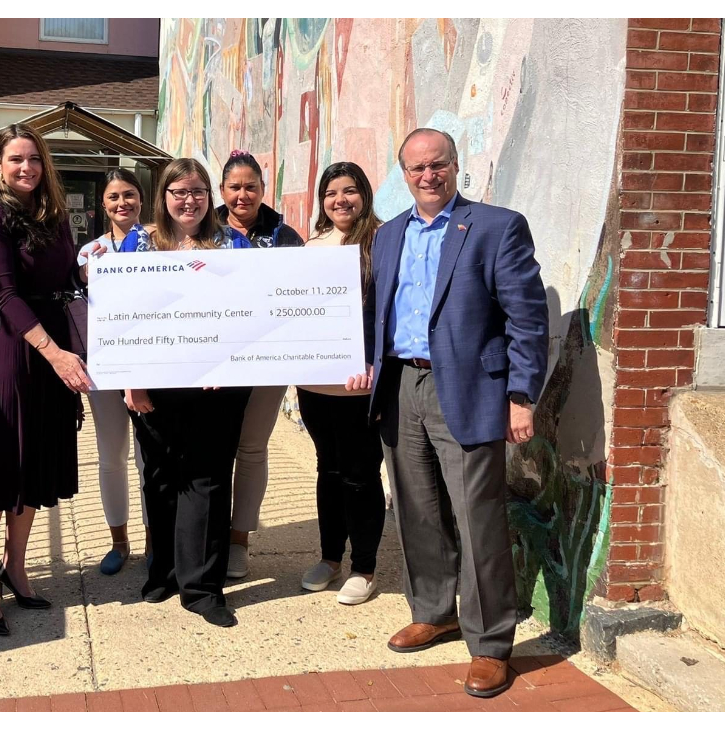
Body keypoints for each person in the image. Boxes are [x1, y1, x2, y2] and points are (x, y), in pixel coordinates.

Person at [351, 128, 548, 698]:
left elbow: (527, 319)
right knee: (416, 509)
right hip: (398, 385)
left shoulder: (495, 227)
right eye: (416, 168)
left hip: (467, 389)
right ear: (403, 173)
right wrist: (360, 360)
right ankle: (434, 610)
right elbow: (374, 312)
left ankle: (490, 643)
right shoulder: (388, 235)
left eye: (438, 165)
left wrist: (520, 395)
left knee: (477, 516)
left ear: (456, 167)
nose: (427, 176)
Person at [0, 124, 90, 636]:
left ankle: (15, 566)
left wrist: (89, 274)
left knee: (33, 462)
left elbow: (64, 283)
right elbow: (6, 296)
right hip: (11, 351)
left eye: (34, 158)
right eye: (15, 159)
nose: (26, 168)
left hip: (51, 350)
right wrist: (56, 354)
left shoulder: (54, 217)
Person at [120, 158, 252, 627]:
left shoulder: (233, 242)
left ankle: (202, 588)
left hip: (217, 386)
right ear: (164, 196)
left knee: (209, 479)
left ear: (208, 195)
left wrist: (229, 361)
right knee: (160, 475)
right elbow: (123, 313)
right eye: (179, 191)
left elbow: (247, 311)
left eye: (197, 191)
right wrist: (131, 380)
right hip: (155, 385)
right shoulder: (139, 242)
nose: (189, 200)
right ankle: (165, 572)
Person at [295, 162, 386, 606]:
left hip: (359, 386)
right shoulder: (312, 245)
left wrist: (374, 361)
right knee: (327, 469)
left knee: (360, 474)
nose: (340, 201)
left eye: (349, 191)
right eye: (331, 193)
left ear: (364, 195)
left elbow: (390, 311)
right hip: (315, 385)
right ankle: (330, 558)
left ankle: (364, 568)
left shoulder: (382, 240)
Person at [214, 150, 304, 579]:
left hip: (268, 362)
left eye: (251, 186)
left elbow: (303, 295)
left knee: (251, 449)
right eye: (235, 186)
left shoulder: (285, 236)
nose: (243, 194)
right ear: (222, 191)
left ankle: (238, 540)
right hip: (213, 362)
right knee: (213, 450)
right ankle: (208, 537)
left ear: (263, 190)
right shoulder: (203, 228)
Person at [76, 168, 149, 575]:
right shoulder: (91, 251)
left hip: (150, 364)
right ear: (103, 205)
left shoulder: (158, 243)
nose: (123, 203)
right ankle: (119, 542)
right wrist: (92, 270)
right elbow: (83, 287)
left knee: (147, 458)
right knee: (111, 455)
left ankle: (154, 539)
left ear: (141, 198)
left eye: (129, 195)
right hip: (104, 364)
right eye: (114, 197)